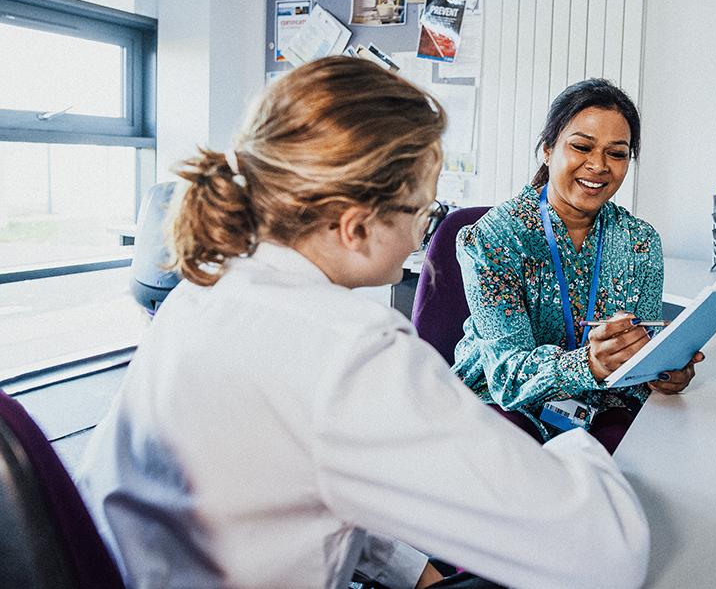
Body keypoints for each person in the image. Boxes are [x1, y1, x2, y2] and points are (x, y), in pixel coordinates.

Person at [74, 58, 649, 589]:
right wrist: (577, 446)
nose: (428, 229)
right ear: (356, 225)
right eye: (426, 206)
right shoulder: (351, 350)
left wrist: (412, 566)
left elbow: (294, 479)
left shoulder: (202, 294)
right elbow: (607, 554)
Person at [452, 78, 704, 450]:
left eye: (617, 154)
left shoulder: (640, 242)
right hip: (500, 406)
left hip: (599, 404)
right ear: (548, 150)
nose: (599, 165)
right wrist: (587, 364)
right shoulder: (494, 238)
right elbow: (507, 375)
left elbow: (640, 354)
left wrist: (662, 370)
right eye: (582, 147)